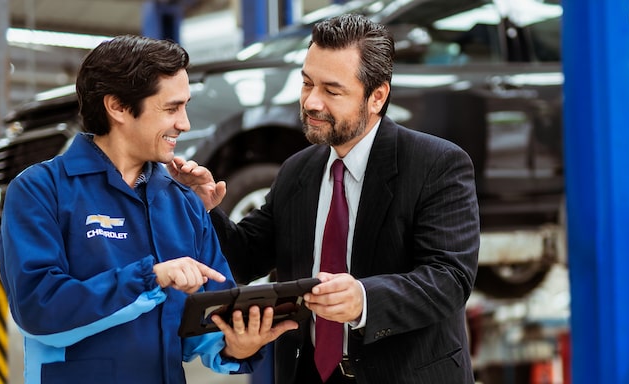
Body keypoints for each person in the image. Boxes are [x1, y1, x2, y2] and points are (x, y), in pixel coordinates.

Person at [201, 14, 480, 384]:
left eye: (332, 91)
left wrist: (364, 299)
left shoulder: (437, 164)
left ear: (377, 96)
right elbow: (244, 255)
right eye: (306, 83)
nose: (312, 102)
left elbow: (449, 278)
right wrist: (203, 210)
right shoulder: (296, 172)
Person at [0, 35, 292, 384]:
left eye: (185, 107)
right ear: (118, 106)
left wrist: (237, 344)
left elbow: (211, 317)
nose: (185, 124)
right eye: (171, 108)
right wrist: (151, 277)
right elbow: (38, 308)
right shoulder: (41, 190)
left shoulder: (184, 203)